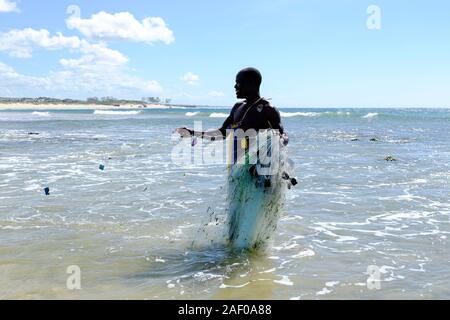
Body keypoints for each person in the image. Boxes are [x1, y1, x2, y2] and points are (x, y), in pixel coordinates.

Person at [176, 67, 288, 148]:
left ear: (251, 83)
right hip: (238, 167)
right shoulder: (238, 108)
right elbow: (222, 133)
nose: (235, 86)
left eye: (238, 83)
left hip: (260, 172)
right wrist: (192, 133)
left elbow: (283, 136)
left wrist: (279, 141)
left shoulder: (268, 109)